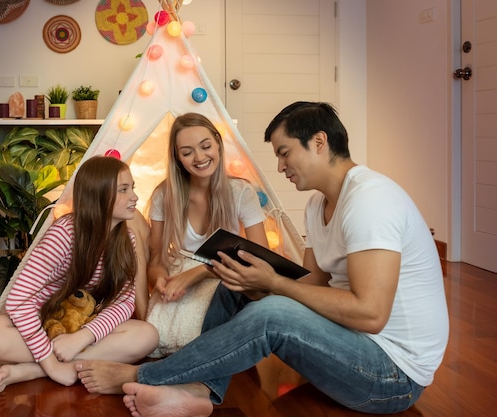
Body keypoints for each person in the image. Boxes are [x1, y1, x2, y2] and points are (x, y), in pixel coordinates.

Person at [76, 102, 449, 416]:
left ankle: (141, 377)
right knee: (235, 286)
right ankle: (200, 392)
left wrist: (275, 286)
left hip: (391, 377)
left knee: (272, 314)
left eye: (285, 152)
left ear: (319, 142)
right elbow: (315, 287)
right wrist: (257, 283)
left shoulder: (371, 200)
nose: (281, 166)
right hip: (352, 345)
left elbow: (371, 313)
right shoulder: (318, 204)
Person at [0, 156, 159, 393]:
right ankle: (56, 365)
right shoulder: (64, 235)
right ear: (98, 195)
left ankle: (35, 370)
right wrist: (51, 362)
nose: (135, 197)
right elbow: (19, 302)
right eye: (123, 190)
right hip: (43, 320)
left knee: (147, 335)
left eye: (132, 188)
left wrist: (83, 337)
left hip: (83, 324)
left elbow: (123, 303)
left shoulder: (126, 241)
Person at [140, 112, 269, 359]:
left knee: (216, 310)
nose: (199, 157)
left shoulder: (241, 192)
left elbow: (260, 257)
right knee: (161, 333)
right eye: (187, 152)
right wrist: (159, 281)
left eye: (206, 146)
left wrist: (198, 272)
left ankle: (198, 362)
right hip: (179, 274)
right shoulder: (164, 195)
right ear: (177, 158)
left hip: (224, 276)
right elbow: (156, 261)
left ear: (218, 145)